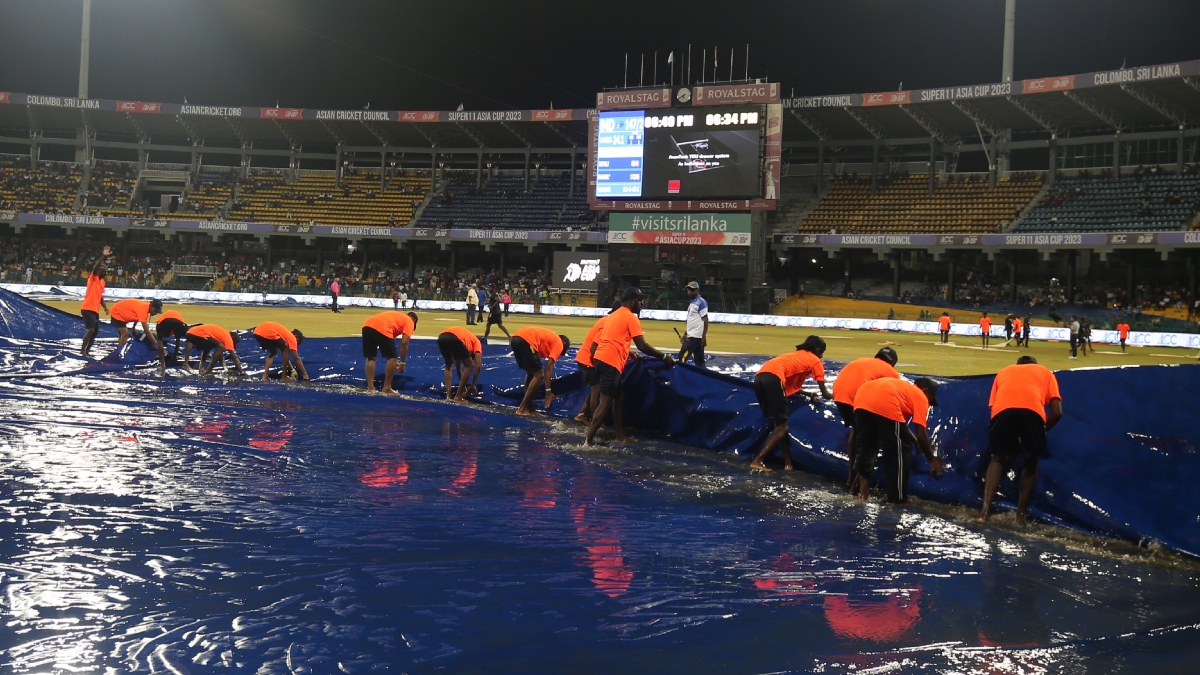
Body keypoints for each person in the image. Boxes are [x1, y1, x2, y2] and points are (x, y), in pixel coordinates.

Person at [978, 355, 1063, 525]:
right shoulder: (1045, 372)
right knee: (1031, 462)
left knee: (997, 457)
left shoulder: (1003, 372)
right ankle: (1020, 517)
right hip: (1032, 411)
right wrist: (1041, 431)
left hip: (1002, 411)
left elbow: (994, 407)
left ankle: (984, 514)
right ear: (1034, 365)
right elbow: (1057, 412)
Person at [584, 287, 676, 445]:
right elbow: (642, 345)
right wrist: (664, 357)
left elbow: (611, 339)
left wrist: (628, 353)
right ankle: (588, 441)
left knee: (618, 396)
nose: (641, 303)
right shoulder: (630, 317)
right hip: (610, 361)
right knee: (605, 401)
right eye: (639, 300)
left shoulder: (614, 316)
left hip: (601, 359)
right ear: (631, 301)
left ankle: (620, 436)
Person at [853, 376, 944, 503]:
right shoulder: (920, 396)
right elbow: (921, 433)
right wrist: (931, 459)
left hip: (862, 397)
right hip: (884, 399)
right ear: (926, 391)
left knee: (867, 446)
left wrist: (914, 441)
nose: (929, 404)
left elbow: (898, 425)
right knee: (900, 450)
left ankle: (862, 493)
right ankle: (897, 498)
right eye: (931, 400)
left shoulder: (904, 390)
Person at [748, 336, 832, 471]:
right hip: (773, 379)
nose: (821, 355)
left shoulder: (794, 356)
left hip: (760, 378)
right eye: (820, 351)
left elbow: (788, 385)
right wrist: (839, 396)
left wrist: (808, 394)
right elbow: (825, 393)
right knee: (782, 427)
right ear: (814, 349)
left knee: (779, 425)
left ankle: (788, 463)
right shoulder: (815, 361)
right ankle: (757, 461)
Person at [832, 347, 900, 487]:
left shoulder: (861, 360)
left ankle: (851, 476)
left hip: (839, 395)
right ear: (892, 362)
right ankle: (859, 479)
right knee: (870, 438)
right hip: (858, 398)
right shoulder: (890, 371)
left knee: (856, 429)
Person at [574, 302, 622, 424]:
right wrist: (600, 363)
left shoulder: (607, 320)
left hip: (587, 357)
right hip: (588, 359)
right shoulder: (609, 323)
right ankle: (597, 423)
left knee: (595, 388)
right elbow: (594, 347)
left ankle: (582, 414)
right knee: (597, 389)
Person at [509, 326, 570, 415]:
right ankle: (521, 409)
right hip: (526, 340)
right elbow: (549, 366)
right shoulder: (559, 343)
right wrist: (548, 391)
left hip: (515, 339)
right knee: (539, 375)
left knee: (530, 373)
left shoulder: (550, 338)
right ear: (563, 343)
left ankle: (528, 407)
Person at [362, 311, 418, 393]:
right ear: (414, 320)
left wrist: (394, 363)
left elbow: (383, 346)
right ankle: (387, 388)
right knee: (393, 357)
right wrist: (402, 363)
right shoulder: (410, 321)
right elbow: (404, 343)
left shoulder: (397, 318)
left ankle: (370, 388)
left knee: (371, 357)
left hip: (367, 325)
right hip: (382, 327)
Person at [80, 246, 111, 357]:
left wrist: (105, 307)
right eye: (103, 268)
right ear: (99, 271)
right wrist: (103, 256)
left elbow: (100, 296)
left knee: (95, 331)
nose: (105, 270)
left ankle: (87, 351)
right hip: (87, 308)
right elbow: (95, 267)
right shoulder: (93, 278)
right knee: (92, 329)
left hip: (94, 310)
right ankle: (83, 351)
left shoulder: (102, 282)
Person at [437, 325, 482, 401]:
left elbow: (459, 370)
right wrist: (473, 384)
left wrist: (463, 387)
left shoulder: (464, 344)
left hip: (442, 337)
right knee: (470, 365)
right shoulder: (477, 342)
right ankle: (458, 397)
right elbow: (478, 366)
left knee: (448, 365)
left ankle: (448, 396)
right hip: (455, 337)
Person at [677, 281, 709, 367]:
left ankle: (681, 374)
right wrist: (685, 334)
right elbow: (692, 321)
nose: (690, 292)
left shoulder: (701, 302)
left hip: (695, 337)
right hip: (693, 336)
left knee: (682, 356)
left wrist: (704, 336)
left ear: (697, 290)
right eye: (688, 290)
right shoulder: (693, 302)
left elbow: (705, 320)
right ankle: (702, 377)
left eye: (692, 290)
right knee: (699, 361)